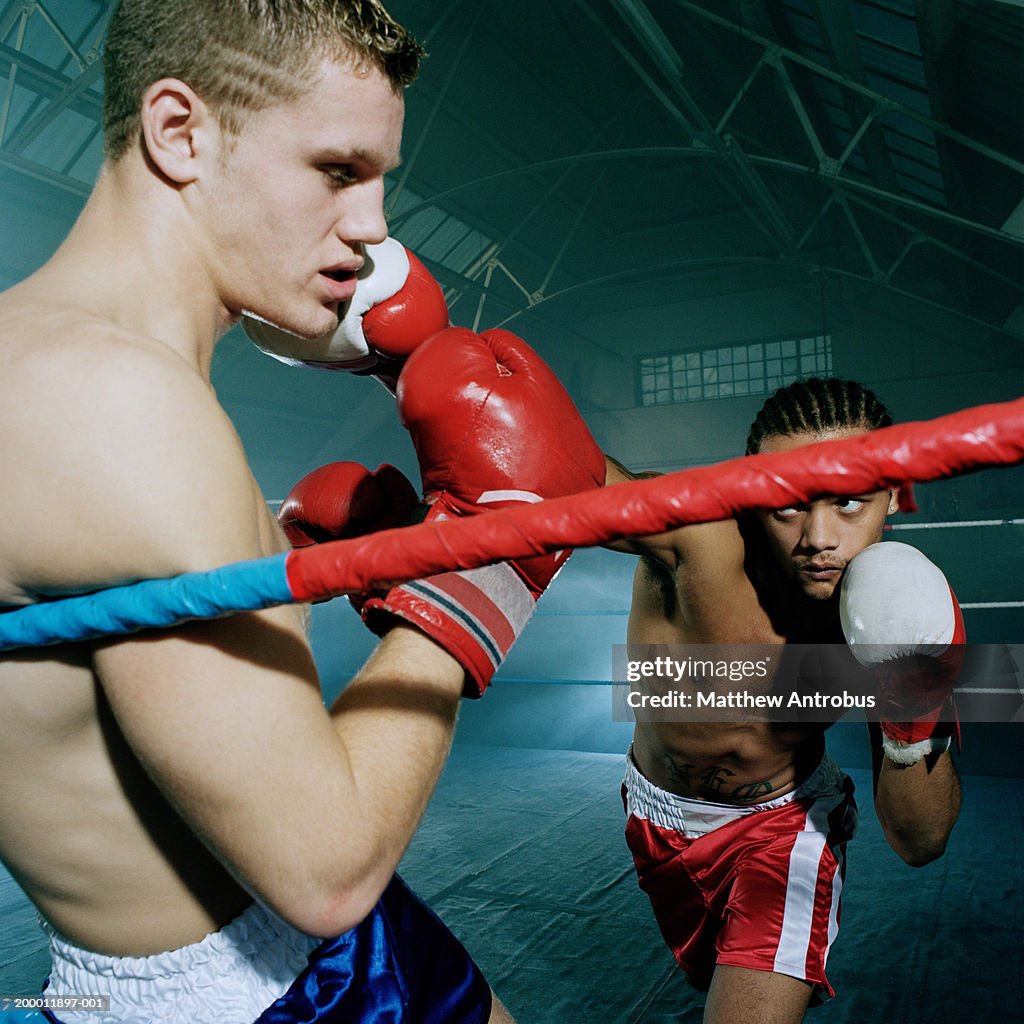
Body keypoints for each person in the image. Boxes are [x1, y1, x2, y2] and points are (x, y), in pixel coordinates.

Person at [0, 1, 603, 1021]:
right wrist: (489, 559)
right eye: (336, 170)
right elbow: (325, 869)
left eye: (380, 181)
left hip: (309, 954)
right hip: (250, 992)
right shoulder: (122, 406)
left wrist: (280, 553)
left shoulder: (63, 366)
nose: (372, 228)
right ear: (179, 132)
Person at [606, 377, 963, 1024]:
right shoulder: (699, 533)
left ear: (895, 494)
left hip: (788, 830)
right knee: (705, 984)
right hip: (651, 815)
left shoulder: (898, 605)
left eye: (850, 502)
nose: (818, 537)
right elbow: (562, 482)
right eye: (789, 504)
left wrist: (917, 702)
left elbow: (920, 840)